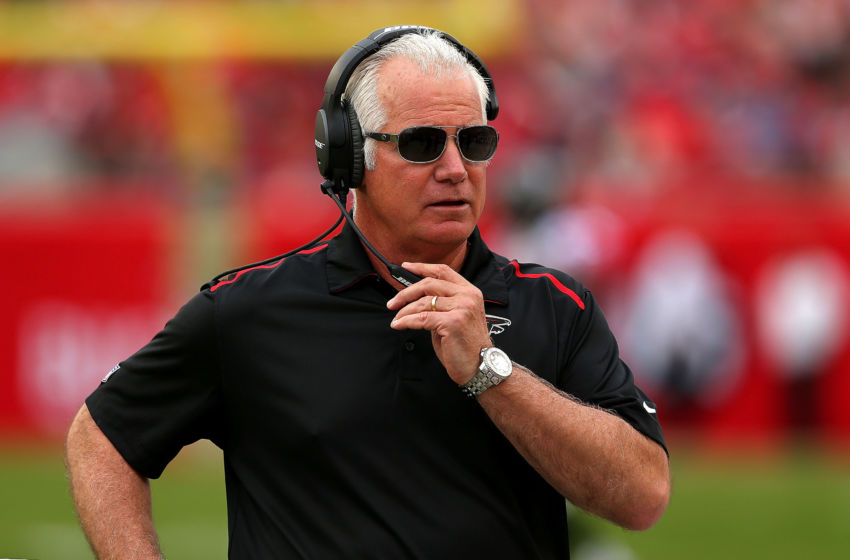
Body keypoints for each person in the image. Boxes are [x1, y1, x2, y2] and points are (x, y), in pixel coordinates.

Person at [65, 26, 670, 559]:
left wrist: (492, 372)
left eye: (475, 142)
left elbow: (642, 498)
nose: (456, 168)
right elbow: (101, 437)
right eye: (422, 143)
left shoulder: (555, 305)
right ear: (350, 157)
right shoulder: (249, 310)